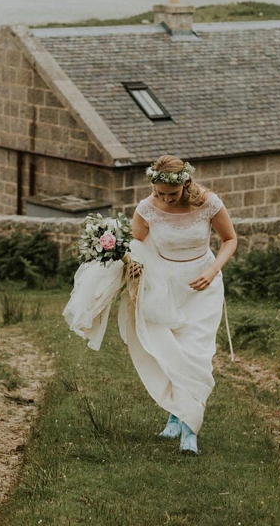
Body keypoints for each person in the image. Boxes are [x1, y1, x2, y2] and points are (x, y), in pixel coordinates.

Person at [63, 154, 238, 455]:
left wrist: (212, 270)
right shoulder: (146, 209)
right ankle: (176, 413)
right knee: (169, 352)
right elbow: (138, 247)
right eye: (160, 193)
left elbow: (230, 240)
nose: (166, 199)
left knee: (196, 354)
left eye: (172, 194)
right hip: (164, 285)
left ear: (185, 184)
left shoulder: (209, 203)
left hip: (202, 286)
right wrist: (130, 265)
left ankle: (189, 431)